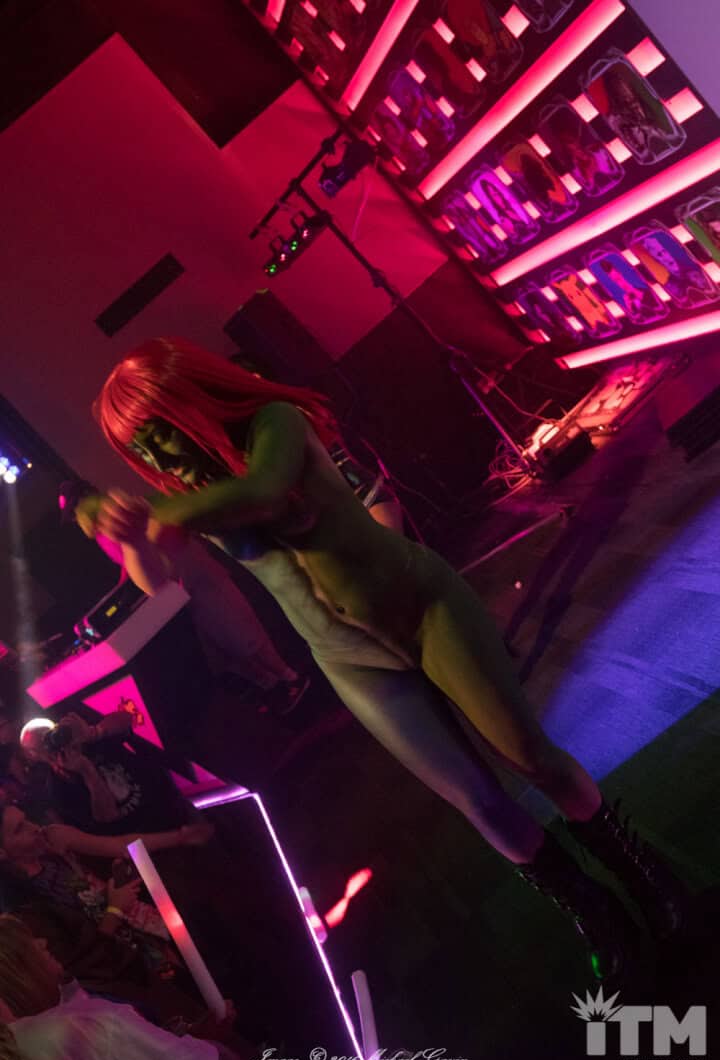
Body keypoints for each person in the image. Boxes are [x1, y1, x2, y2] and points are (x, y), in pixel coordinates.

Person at [81, 337, 692, 984]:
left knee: (530, 757)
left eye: (157, 435)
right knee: (477, 801)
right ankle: (594, 912)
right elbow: (156, 582)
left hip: (422, 609)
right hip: (351, 661)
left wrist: (155, 513)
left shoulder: (273, 424)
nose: (156, 459)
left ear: (189, 400)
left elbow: (263, 492)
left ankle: (644, 873)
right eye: (140, 451)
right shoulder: (191, 493)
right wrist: (125, 534)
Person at [61, 480, 309, 715]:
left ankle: (290, 678)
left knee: (240, 631)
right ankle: (278, 685)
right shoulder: (107, 529)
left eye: (74, 513)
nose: (76, 520)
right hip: (185, 586)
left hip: (193, 576)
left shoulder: (116, 517)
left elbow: (158, 540)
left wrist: (149, 563)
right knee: (230, 642)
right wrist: (129, 580)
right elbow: (132, 559)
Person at [0, 915, 253, 1060]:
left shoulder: (69, 1010)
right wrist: (210, 1051)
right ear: (16, 975)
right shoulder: (85, 1026)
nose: (43, 942)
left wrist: (188, 1037)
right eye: (27, 944)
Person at [0, 799, 212, 980]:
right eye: (19, 829)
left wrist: (180, 837)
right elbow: (82, 964)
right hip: (122, 972)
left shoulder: (51, 841)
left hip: (146, 937)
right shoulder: (23, 907)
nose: (33, 827)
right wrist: (114, 908)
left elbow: (122, 846)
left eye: (26, 819)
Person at [20, 709, 194, 835]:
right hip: (148, 838)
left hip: (173, 805)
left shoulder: (88, 739)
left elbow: (128, 717)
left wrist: (94, 732)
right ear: (33, 755)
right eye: (42, 744)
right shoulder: (58, 787)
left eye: (50, 735)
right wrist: (87, 772)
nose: (51, 744)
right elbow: (108, 817)